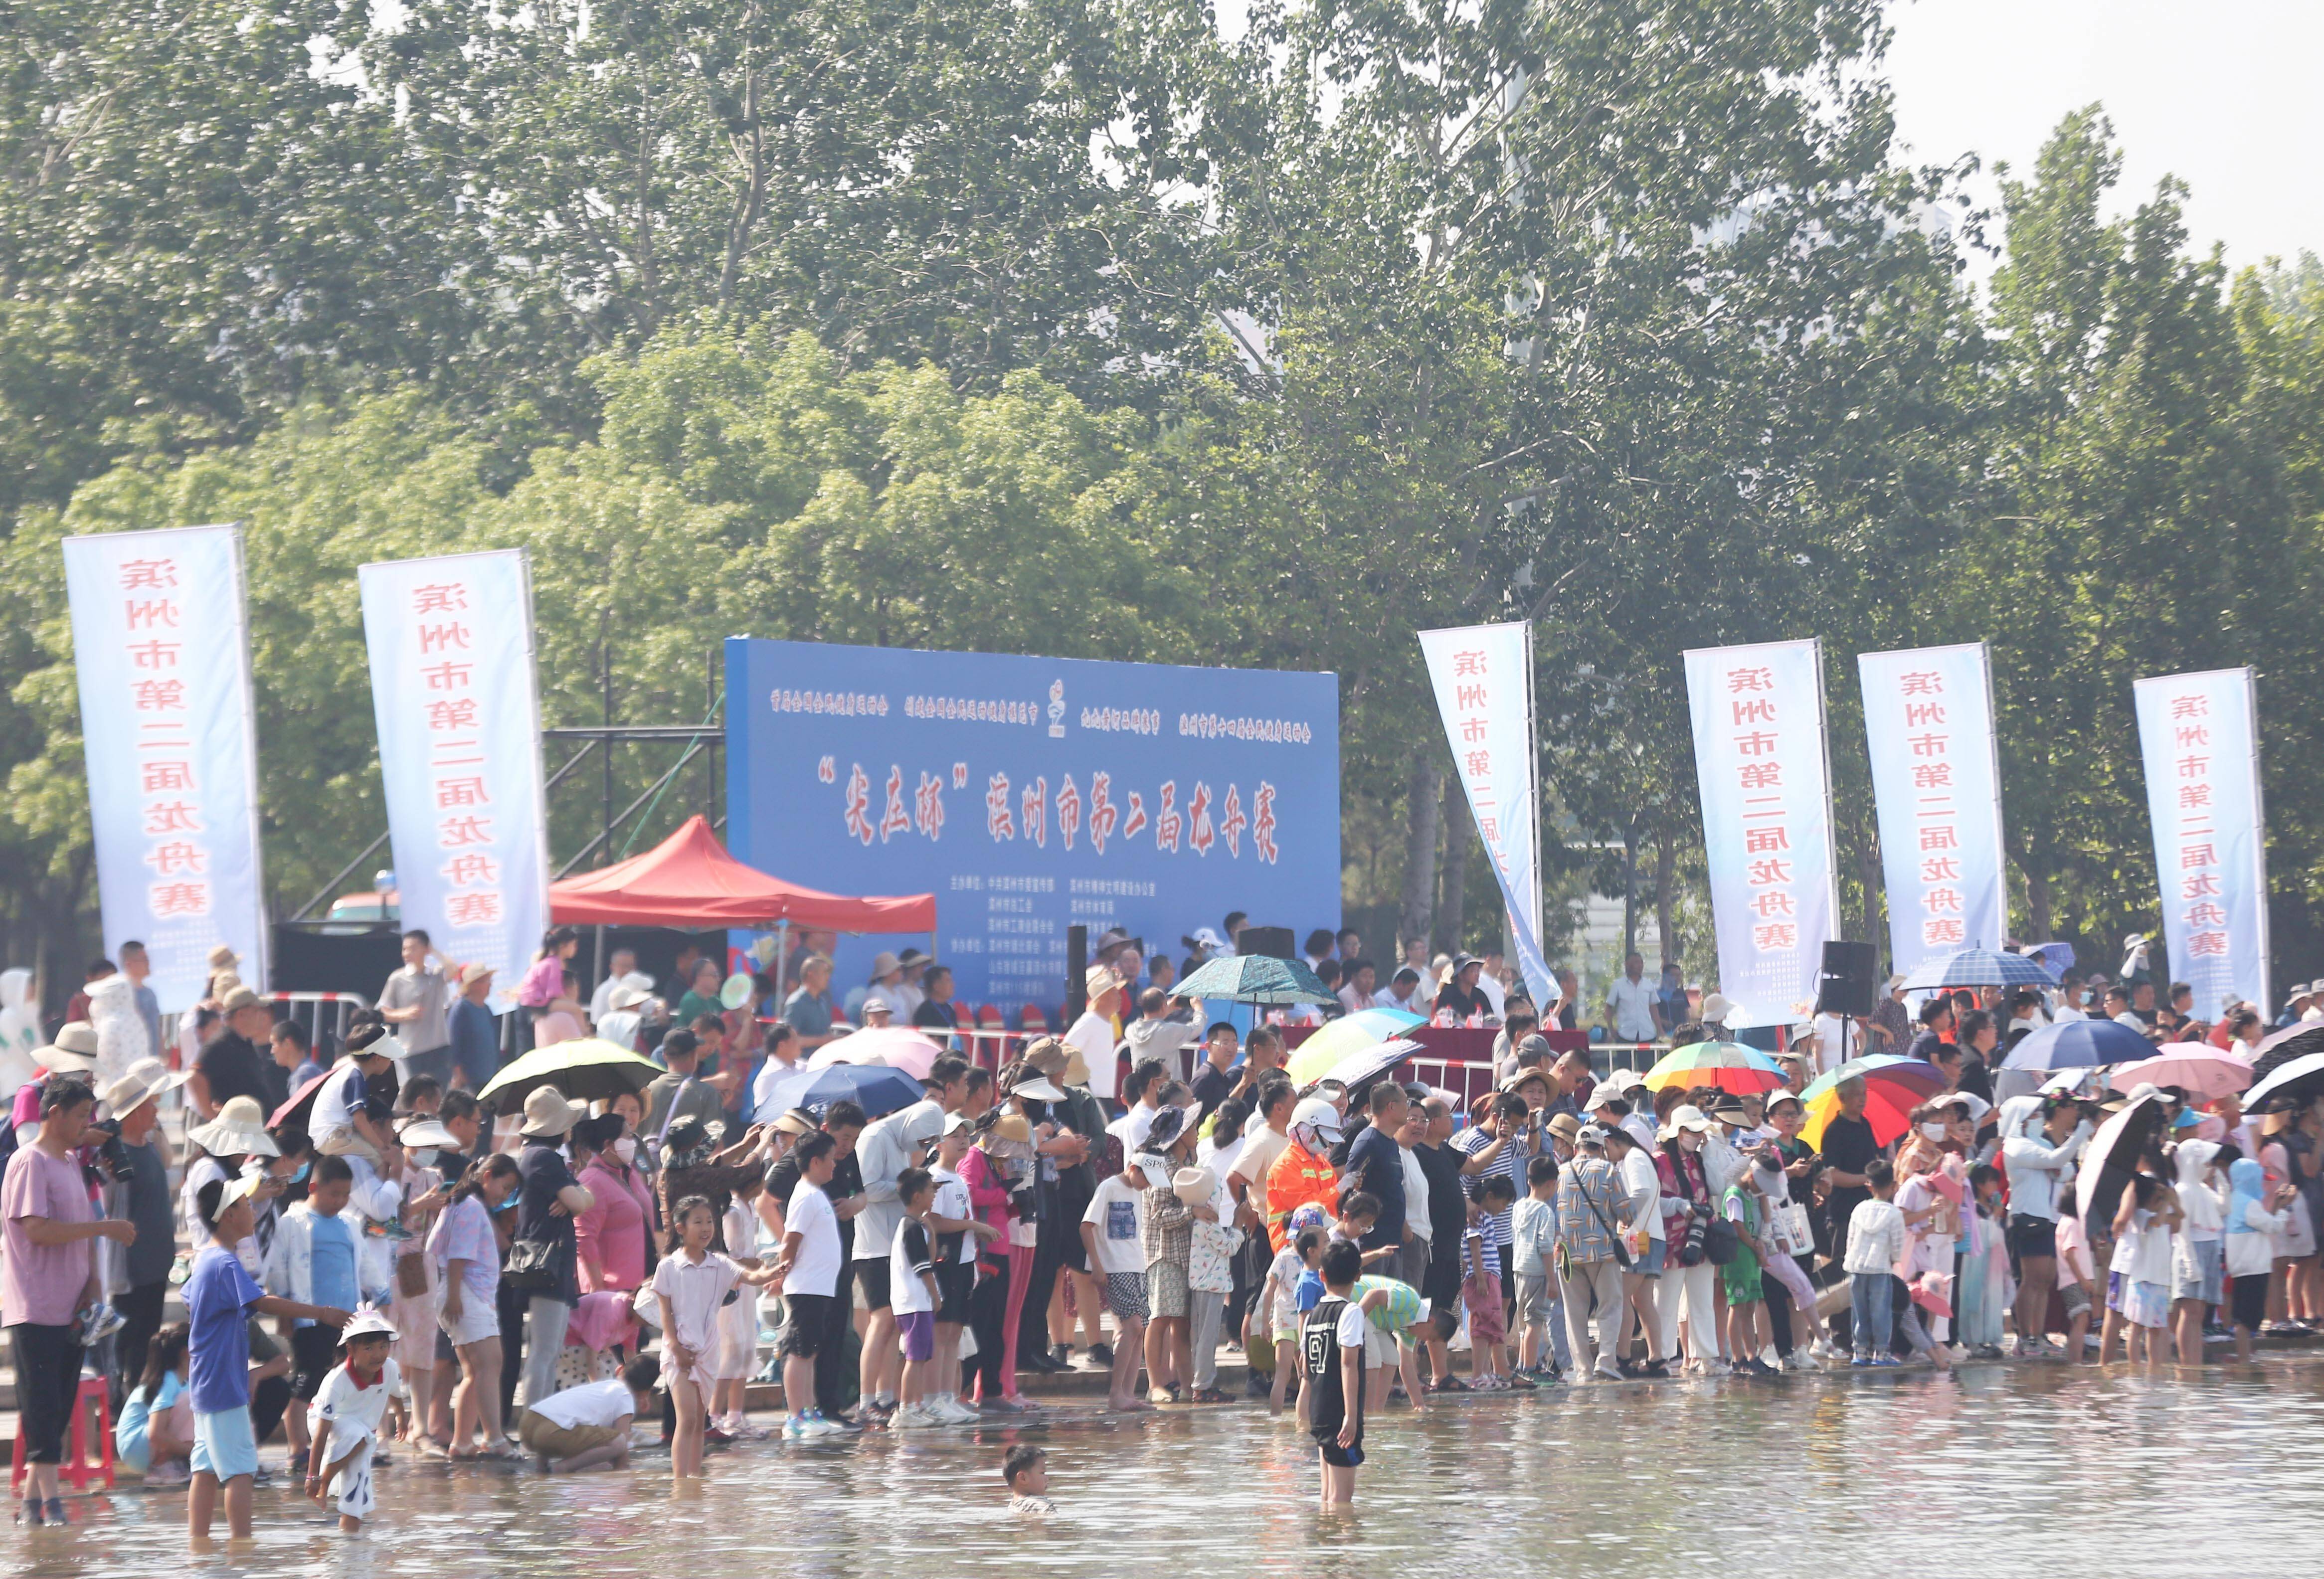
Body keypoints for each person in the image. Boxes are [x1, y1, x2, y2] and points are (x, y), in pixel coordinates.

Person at [186, 1174, 350, 1542]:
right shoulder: (224, 1263)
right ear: (229, 1215)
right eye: (246, 1205)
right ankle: (242, 1550)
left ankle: (199, 1546)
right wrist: (321, 1312)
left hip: (205, 1378)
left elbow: (189, 1300)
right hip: (224, 1382)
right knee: (240, 1470)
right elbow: (261, 1302)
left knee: (206, 1468)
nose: (253, 1210)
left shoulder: (206, 1259)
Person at [4, 1075, 137, 1525]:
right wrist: (102, 1228)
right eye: (81, 1115)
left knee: (58, 1405)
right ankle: (49, 1503)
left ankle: (35, 1504)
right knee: (42, 1405)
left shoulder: (68, 1163)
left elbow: (81, 1238)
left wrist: (93, 1285)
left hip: (72, 1305)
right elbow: (37, 1229)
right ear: (55, 1113)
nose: (86, 1125)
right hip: (36, 1305)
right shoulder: (30, 1160)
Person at [653, 1192, 779, 1473]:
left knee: (700, 1422)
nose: (706, 1228)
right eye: (698, 1222)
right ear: (681, 1227)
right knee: (686, 1419)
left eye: (709, 1221)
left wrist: (774, 1272)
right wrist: (676, 1348)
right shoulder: (668, 1267)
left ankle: (694, 1481)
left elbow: (752, 1277)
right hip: (678, 1351)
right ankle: (680, 1484)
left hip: (708, 1351)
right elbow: (666, 1314)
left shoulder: (719, 1263)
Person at [264, 1154, 368, 1478]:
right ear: (313, 1187)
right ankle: (298, 1447)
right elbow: (279, 1266)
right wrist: (285, 1308)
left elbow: (363, 1263)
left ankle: (341, 1442)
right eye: (334, 1194)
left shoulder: (349, 1224)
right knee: (307, 1379)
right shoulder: (293, 1222)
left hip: (347, 1318)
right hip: (310, 1318)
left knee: (343, 1379)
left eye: (345, 1194)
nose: (340, 1201)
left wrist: (378, 1294)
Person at [512, 1087, 594, 1413]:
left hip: (553, 1263)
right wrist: (575, 1195)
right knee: (544, 1351)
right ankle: (535, 1420)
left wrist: (575, 1194)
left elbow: (583, 1198)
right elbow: (581, 1202)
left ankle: (542, 1417)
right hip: (545, 1263)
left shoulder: (538, 1155)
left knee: (549, 1350)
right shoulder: (542, 1157)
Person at [433, 1153, 520, 1458]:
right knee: (490, 1364)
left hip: (466, 1294)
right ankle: (494, 1438)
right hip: (465, 1293)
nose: (505, 1196)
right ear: (488, 1176)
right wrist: (455, 1295)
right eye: (505, 1187)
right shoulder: (470, 1206)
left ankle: (462, 1442)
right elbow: (458, 1253)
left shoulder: (465, 1204)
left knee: (475, 1369)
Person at [768, 1131, 849, 1437]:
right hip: (806, 1287)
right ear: (815, 1162)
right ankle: (796, 1417)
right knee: (800, 1351)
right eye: (830, 1160)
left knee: (811, 1352)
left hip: (820, 1287)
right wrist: (781, 1275)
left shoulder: (817, 1194)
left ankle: (809, 1412)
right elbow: (791, 1240)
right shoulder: (805, 1195)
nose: (834, 1165)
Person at [2001, 1094, 2092, 1358]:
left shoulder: (2038, 1143)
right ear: (2021, 1120)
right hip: (2026, 1217)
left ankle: (2038, 1336)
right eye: (2034, 1115)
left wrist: (2058, 1164)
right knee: (2032, 1279)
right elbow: (2056, 1162)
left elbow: (2065, 1170)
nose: (2039, 1118)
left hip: (2046, 1218)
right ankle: (2024, 1338)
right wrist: (2082, 1133)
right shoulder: (2016, 1146)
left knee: (2045, 1280)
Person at [303, 1306, 400, 1532]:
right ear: (351, 1349)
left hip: (361, 1432)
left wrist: (402, 1420)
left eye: (383, 1346)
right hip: (325, 1421)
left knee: (358, 1477)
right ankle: (325, 1482)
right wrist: (313, 1476)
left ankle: (351, 1539)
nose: (378, 1354)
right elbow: (322, 1431)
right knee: (363, 1437)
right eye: (369, 1348)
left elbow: (395, 1393)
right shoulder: (337, 1380)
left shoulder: (390, 1368)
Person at [1080, 1142, 1151, 1411]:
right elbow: (1086, 1227)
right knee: (1131, 1327)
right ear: (1133, 1168)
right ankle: (1115, 1393)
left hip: (1137, 1265)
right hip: (1115, 1267)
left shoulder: (1138, 1192)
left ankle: (1128, 1394)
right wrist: (1097, 1265)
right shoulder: (1109, 1188)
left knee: (1139, 1330)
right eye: (1146, 1178)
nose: (1147, 1185)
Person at [1303, 1239, 1369, 1508]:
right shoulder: (1351, 1312)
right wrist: (1351, 1417)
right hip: (1341, 1413)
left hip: (1319, 1411)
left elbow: (1306, 1367)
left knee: (1327, 1494)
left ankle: (1326, 1533)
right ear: (1358, 1275)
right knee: (1343, 1498)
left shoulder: (1312, 1316)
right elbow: (1348, 1364)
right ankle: (1342, 1536)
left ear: (1322, 1275)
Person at [524, 1353, 660, 1472]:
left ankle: (542, 1468)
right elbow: (622, 1442)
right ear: (645, 1393)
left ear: (619, 1370)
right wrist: (623, 1468)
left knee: (567, 1424)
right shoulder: (625, 1396)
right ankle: (562, 1468)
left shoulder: (602, 1386)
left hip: (529, 1424)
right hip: (551, 1432)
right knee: (619, 1442)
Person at [117, 1322, 196, 1483]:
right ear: (187, 1352)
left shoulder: (182, 1381)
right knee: (190, 1401)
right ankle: (162, 1467)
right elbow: (156, 1433)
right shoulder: (168, 1381)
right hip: (137, 1448)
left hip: (144, 1448)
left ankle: (173, 1463)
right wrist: (192, 1451)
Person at [378, 930, 458, 1089]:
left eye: (413, 948)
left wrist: (434, 951)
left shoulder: (435, 975)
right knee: (416, 1093)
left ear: (426, 949)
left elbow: (454, 969)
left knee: (439, 1091)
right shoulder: (397, 978)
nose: (407, 954)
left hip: (439, 1046)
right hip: (411, 1050)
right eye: (404, 949)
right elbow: (383, 1012)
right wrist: (405, 1014)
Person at [1844, 1160, 1904, 1367]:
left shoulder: (1859, 1209)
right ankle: (1881, 1352)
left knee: (1859, 1311)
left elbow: (1851, 1238)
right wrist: (1895, 1259)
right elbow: (1897, 1243)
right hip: (1880, 1268)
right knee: (1881, 1312)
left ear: (1869, 1185)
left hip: (1857, 1267)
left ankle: (1860, 1352)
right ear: (1893, 1185)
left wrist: (1850, 1259)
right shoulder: (1894, 1214)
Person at [190, 987, 278, 1119]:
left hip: (251, 1125)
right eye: (256, 1011)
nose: (261, 1016)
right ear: (241, 1014)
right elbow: (195, 1076)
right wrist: (211, 1116)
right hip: (236, 1127)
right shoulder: (220, 1043)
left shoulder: (245, 1042)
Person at [1510, 1153, 1561, 1378]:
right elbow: (1545, 1248)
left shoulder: (1519, 1206)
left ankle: (1523, 1365)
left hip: (1519, 1269)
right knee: (1535, 1321)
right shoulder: (1545, 1212)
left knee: (1524, 1323)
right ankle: (1531, 1369)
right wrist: (1552, 1280)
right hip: (1538, 1272)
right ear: (1551, 1184)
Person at [1063, 965, 1125, 1101]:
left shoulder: (1107, 1022)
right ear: (1102, 998)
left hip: (1104, 1095)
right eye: (1114, 993)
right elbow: (1066, 1049)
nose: (1119, 997)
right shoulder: (1089, 1020)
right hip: (1089, 1096)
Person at [446, 964, 500, 1091]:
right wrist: (458, 1073)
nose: (490, 985)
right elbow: (453, 1044)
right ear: (474, 985)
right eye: (486, 981)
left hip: (489, 1077)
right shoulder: (461, 1009)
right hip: (470, 1081)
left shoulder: (487, 1009)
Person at [781, 955, 841, 1052]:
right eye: (825, 972)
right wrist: (820, 1041)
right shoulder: (796, 1003)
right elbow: (788, 1039)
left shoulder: (823, 1002)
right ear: (811, 974)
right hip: (804, 1060)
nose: (828, 977)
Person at [1002, 1442, 1054, 1514]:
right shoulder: (1041, 1504)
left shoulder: (1013, 1507)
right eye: (1042, 1473)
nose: (1047, 1479)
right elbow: (1053, 1518)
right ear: (1023, 1478)